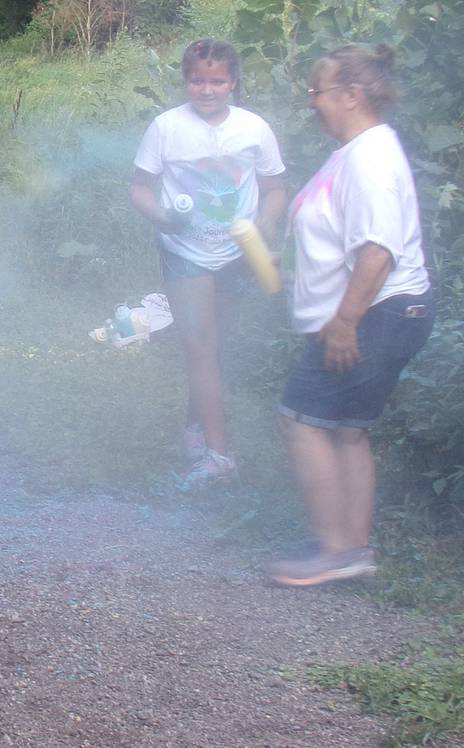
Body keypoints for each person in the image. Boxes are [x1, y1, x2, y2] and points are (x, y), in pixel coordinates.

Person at [270, 45, 434, 586]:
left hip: (376, 314)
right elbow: (340, 239)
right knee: (345, 430)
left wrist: (343, 323)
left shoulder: (369, 157)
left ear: (351, 95)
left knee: (300, 418)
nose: (312, 103)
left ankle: (335, 550)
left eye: (317, 92)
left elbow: (378, 252)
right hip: (378, 311)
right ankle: (353, 549)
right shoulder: (354, 151)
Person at [130, 39, 287, 487]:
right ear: (186, 81)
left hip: (237, 254)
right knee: (200, 346)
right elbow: (139, 188)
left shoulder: (254, 129)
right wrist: (161, 215)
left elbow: (275, 188)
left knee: (214, 349)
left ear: (233, 82)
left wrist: (267, 222)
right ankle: (220, 456)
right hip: (186, 254)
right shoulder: (166, 128)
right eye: (197, 80)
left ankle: (194, 428)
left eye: (217, 80)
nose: (206, 89)